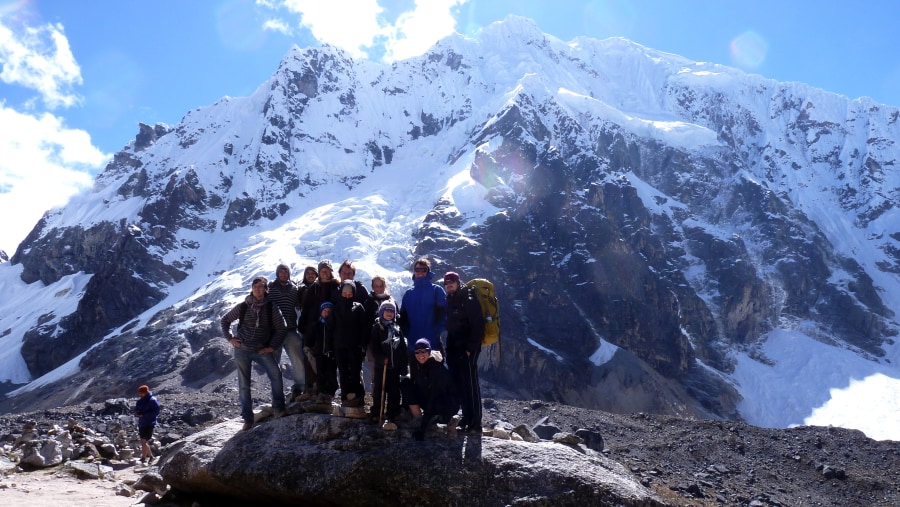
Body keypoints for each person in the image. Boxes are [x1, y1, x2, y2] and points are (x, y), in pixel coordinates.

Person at [221, 276, 288, 431]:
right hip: (242, 350)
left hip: (261, 349)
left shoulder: (272, 307)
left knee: (276, 375)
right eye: (255, 286)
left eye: (260, 286)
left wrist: (272, 347)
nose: (257, 289)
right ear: (252, 288)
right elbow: (225, 320)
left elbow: (282, 328)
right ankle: (248, 418)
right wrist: (230, 338)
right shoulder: (244, 306)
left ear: (266, 289)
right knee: (244, 385)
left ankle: (279, 408)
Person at [443, 271, 485, 435]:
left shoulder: (468, 297)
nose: (449, 285)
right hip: (455, 348)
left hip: (467, 349)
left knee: (471, 384)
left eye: (452, 282)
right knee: (460, 384)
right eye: (446, 283)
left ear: (458, 282)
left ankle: (476, 423)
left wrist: (470, 348)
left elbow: (478, 324)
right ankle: (467, 419)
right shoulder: (451, 299)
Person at [404, 338, 457, 440]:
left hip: (444, 403)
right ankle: (418, 417)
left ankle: (446, 420)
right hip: (428, 397)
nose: (420, 355)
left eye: (423, 351)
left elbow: (433, 396)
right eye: (417, 352)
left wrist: (422, 430)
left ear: (429, 352)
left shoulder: (436, 368)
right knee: (406, 384)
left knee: (438, 404)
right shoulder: (416, 364)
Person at [326, 280, 368, 408]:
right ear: (341, 293)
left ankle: (359, 398)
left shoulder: (359, 307)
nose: (347, 296)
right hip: (339, 347)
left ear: (353, 293)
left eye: (350, 293)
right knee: (343, 373)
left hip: (355, 347)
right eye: (345, 293)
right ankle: (345, 398)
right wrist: (329, 348)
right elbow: (330, 329)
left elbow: (364, 328)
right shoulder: (335, 308)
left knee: (355, 372)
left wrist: (363, 345)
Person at [268, 264, 306, 400]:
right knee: (273, 364)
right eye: (281, 272)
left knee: (298, 359)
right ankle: (276, 396)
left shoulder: (295, 289)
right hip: (274, 332)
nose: (284, 274)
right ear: (277, 274)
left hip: (290, 329)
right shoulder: (270, 288)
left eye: (286, 272)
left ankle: (300, 388)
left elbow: (301, 304)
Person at [369, 300, 408, 424]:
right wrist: (381, 359)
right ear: (381, 312)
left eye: (392, 311)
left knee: (394, 391)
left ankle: (393, 412)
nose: (389, 313)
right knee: (379, 390)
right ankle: (377, 412)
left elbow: (402, 348)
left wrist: (403, 365)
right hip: (382, 366)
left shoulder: (397, 329)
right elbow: (374, 348)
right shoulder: (377, 328)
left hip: (395, 366)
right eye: (386, 310)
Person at [399, 258, 447, 357]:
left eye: (423, 270)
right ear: (414, 272)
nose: (420, 272)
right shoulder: (408, 294)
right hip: (413, 344)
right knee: (415, 372)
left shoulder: (437, 290)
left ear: (428, 271)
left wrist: (437, 331)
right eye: (417, 270)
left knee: (434, 370)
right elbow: (403, 317)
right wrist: (407, 333)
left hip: (433, 343)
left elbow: (445, 313)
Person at [306, 301, 338, 405]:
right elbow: (309, 339)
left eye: (329, 311)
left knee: (331, 374)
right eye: (325, 311)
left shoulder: (334, 326)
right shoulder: (316, 325)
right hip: (319, 353)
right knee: (320, 373)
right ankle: (321, 393)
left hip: (331, 354)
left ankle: (330, 393)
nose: (327, 313)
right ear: (321, 312)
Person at [296, 265, 319, 400]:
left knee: (319, 357)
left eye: (312, 273)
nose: (310, 275)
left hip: (320, 327)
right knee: (308, 358)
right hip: (306, 327)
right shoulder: (301, 289)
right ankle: (309, 388)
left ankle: (319, 388)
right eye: (308, 273)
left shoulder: (320, 288)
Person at [134, 384, 160, 464]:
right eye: (139, 393)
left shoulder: (153, 400)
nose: (140, 394)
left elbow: (156, 412)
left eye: (142, 393)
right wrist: (137, 413)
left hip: (149, 423)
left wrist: (144, 415)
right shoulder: (140, 401)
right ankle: (151, 457)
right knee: (144, 441)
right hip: (142, 423)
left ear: (146, 392)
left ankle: (143, 458)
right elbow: (137, 409)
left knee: (143, 441)